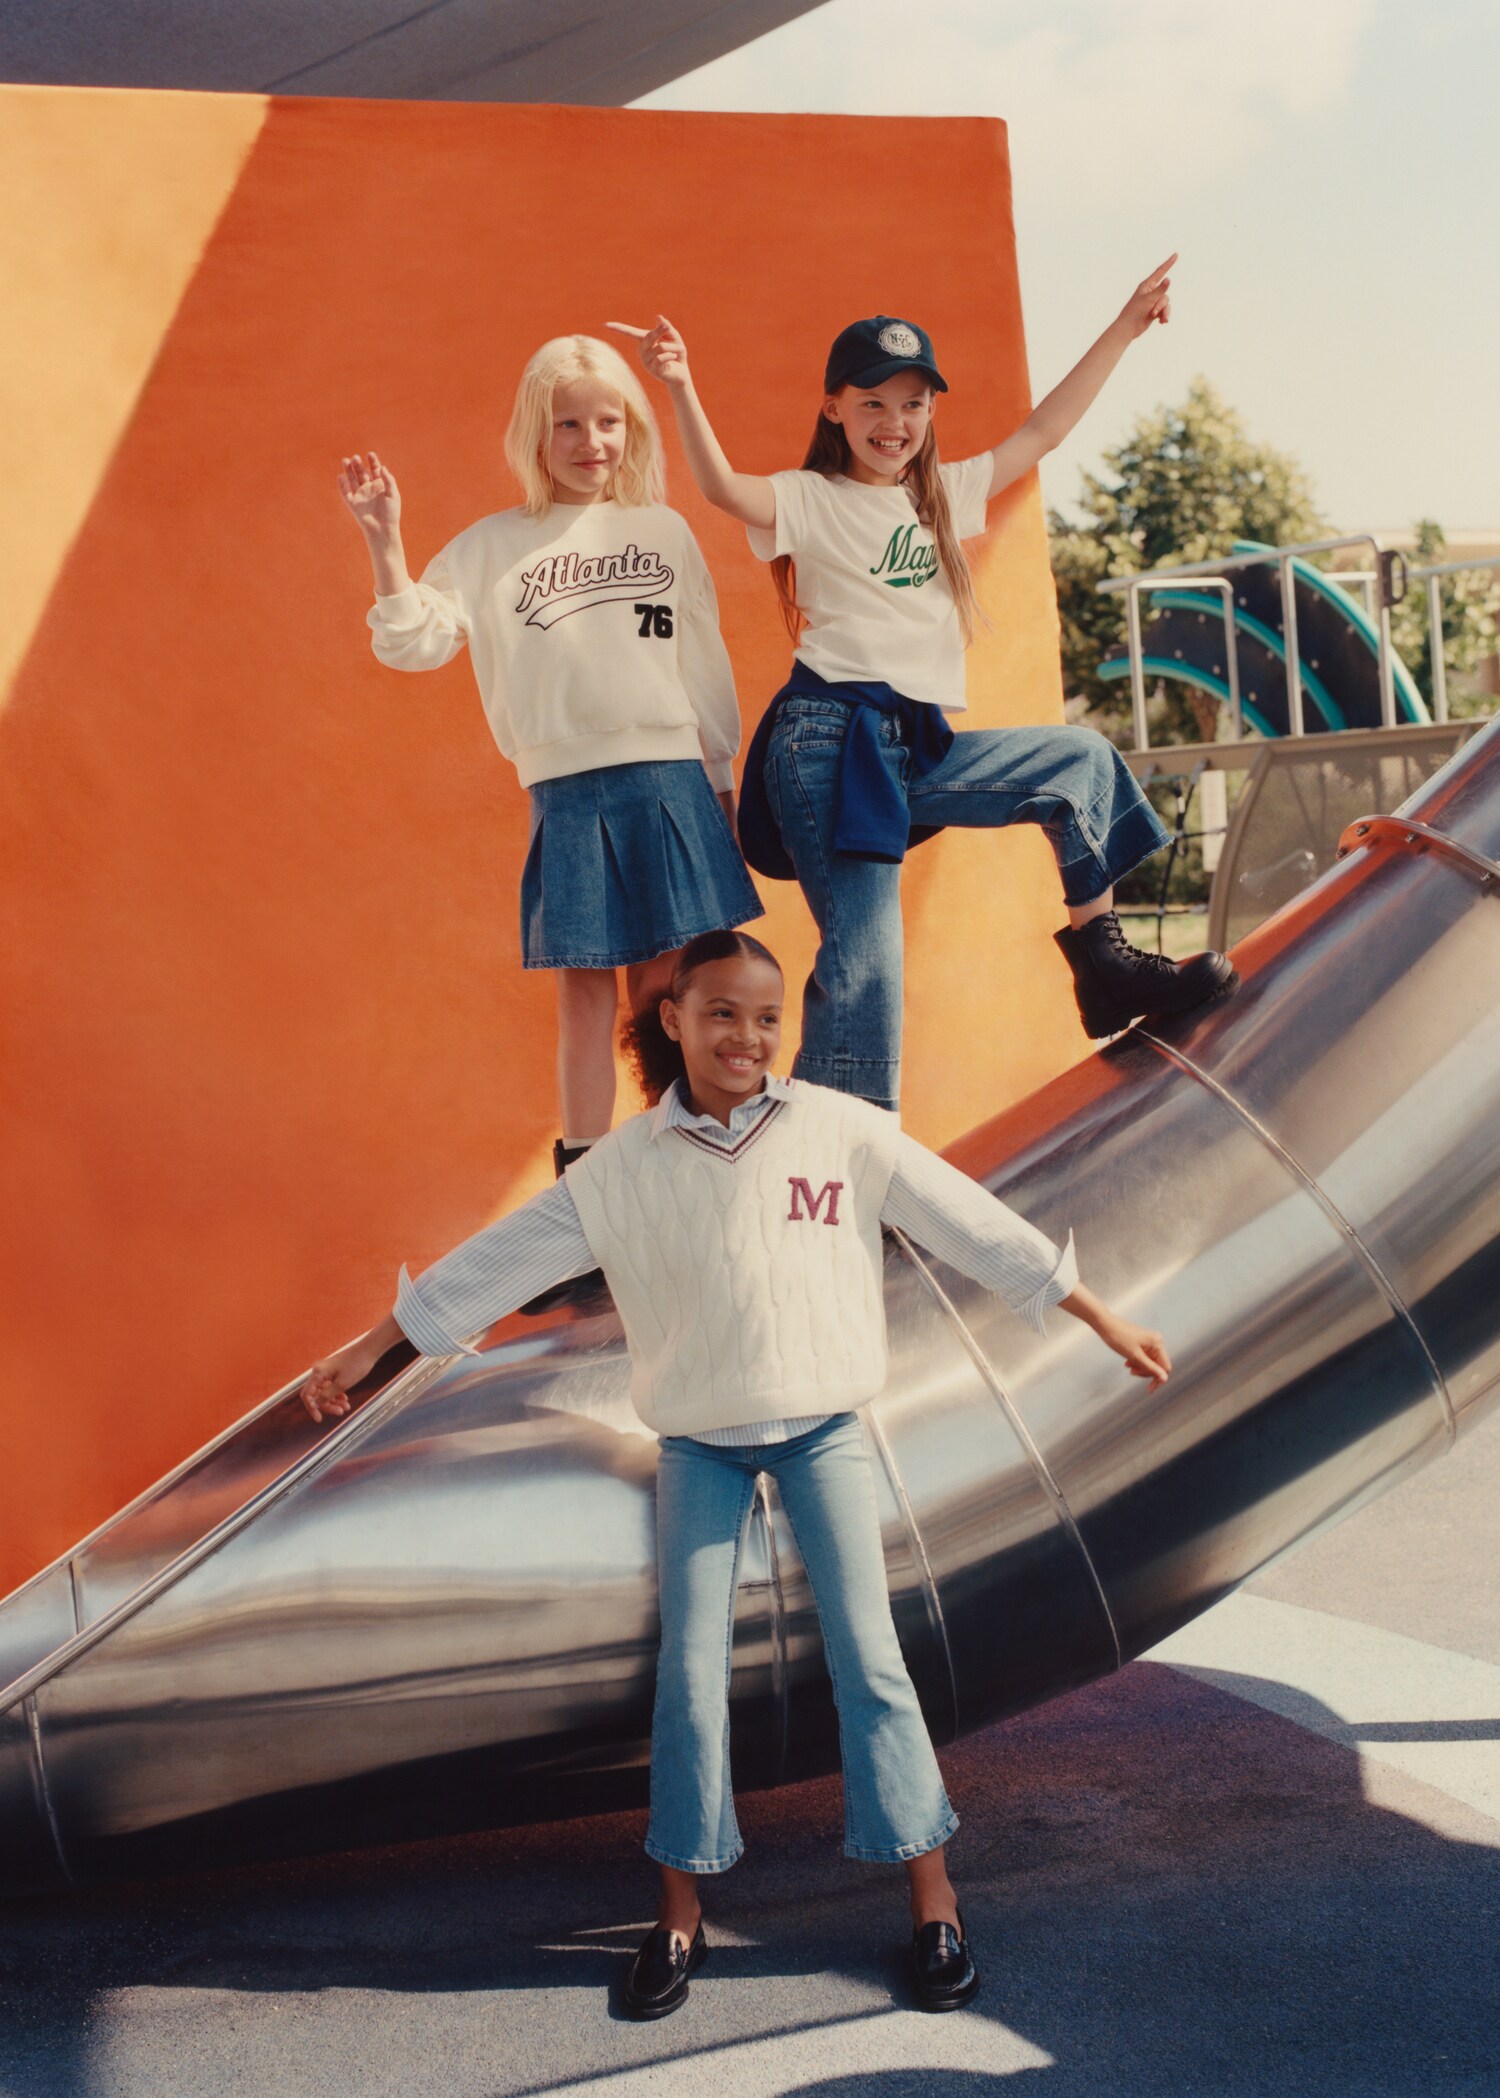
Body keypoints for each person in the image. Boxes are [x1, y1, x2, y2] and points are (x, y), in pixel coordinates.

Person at [299, 929, 1171, 2019]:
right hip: (700, 1443)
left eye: (767, 1018)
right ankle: (678, 1916)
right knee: (689, 1678)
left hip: (824, 1432)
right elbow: (491, 1266)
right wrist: (366, 1348)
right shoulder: (619, 1170)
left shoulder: (844, 1132)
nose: (748, 1037)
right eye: (722, 1014)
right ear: (672, 1018)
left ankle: (934, 1904)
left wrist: (1099, 1315)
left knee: (872, 1661)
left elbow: (972, 1221)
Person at [608, 260, 1235, 1112]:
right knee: (866, 967)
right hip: (827, 742)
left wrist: (1125, 327)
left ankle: (1107, 969)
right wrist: (680, 385)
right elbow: (723, 489)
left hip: (911, 744)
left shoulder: (942, 494)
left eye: (913, 403)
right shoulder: (812, 497)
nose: (893, 422)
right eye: (872, 402)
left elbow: (1043, 432)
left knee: (1078, 762)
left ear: (931, 411)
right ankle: (840, 1165)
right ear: (834, 407)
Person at [339, 334, 762, 1174]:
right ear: (535, 436)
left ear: (632, 429)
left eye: (608, 421)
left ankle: (693, 1149)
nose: (590, 442)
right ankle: (587, 1171)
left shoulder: (663, 530)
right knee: (582, 988)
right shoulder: (490, 545)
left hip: (672, 779)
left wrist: (721, 782)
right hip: (566, 792)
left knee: (671, 986)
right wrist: (384, 541)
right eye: (567, 424)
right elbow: (414, 642)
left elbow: (702, 664)